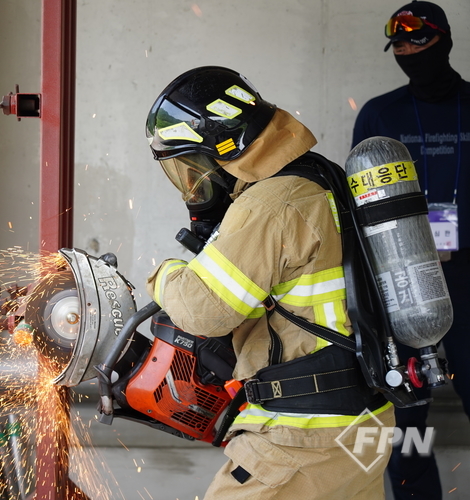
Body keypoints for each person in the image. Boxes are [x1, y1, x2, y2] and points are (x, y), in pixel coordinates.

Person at [144, 66, 395, 499]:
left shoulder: (271, 202)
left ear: (222, 149)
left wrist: (165, 274)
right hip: (363, 422)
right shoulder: (323, 176)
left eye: (193, 165)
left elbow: (203, 312)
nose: (194, 182)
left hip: (302, 435)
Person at [352, 2, 470, 498]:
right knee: (405, 409)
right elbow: (360, 199)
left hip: (466, 277)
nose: (406, 51)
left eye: (416, 41)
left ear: (443, 40)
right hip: (400, 276)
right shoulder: (381, 114)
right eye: (398, 45)